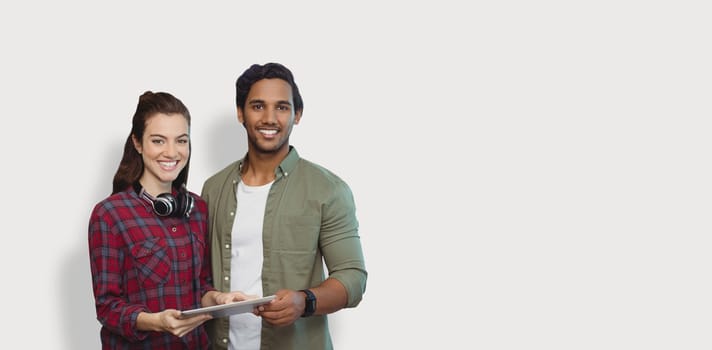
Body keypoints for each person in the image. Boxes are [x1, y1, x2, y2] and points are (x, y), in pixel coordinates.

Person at [201, 62, 368, 350]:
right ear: (240, 113)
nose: (269, 118)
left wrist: (304, 301)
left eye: (281, 107)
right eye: (257, 106)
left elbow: (353, 277)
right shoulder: (213, 188)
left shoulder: (328, 189)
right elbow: (200, 276)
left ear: (297, 114)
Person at [88, 91, 248, 349]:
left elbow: (201, 286)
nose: (172, 152)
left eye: (181, 141)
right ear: (138, 143)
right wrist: (156, 321)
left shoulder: (198, 209)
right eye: (158, 141)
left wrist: (219, 299)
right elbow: (107, 307)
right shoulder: (109, 214)